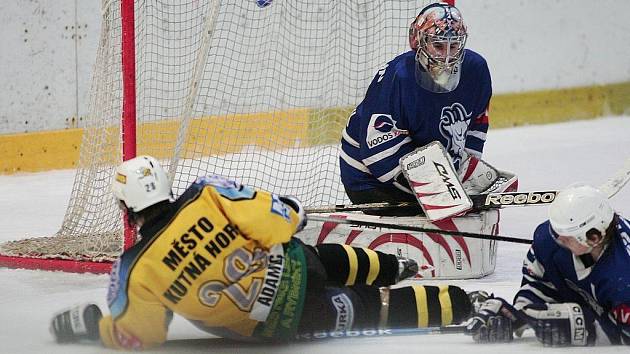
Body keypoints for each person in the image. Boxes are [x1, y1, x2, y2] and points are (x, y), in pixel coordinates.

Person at [49, 155, 472, 350]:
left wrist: (94, 327)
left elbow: (141, 335)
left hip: (276, 326)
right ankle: (395, 264)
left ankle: (463, 305)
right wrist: (293, 211)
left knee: (367, 308)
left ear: (126, 210)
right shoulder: (207, 195)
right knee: (317, 257)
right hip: (297, 270)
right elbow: (279, 221)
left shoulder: (134, 271)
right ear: (166, 185)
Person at [340, 2, 515, 216]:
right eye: (439, 46)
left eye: (454, 46)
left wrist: (462, 172)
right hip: (369, 179)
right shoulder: (399, 77)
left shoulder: (476, 70)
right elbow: (377, 152)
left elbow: (476, 122)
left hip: (431, 170)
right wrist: (436, 190)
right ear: (419, 41)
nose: (447, 57)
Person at [465, 184, 630, 346]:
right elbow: (539, 284)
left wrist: (586, 329)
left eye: (566, 236)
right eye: (556, 230)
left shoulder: (623, 277)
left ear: (594, 238)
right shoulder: (549, 238)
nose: (557, 239)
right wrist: (518, 315)